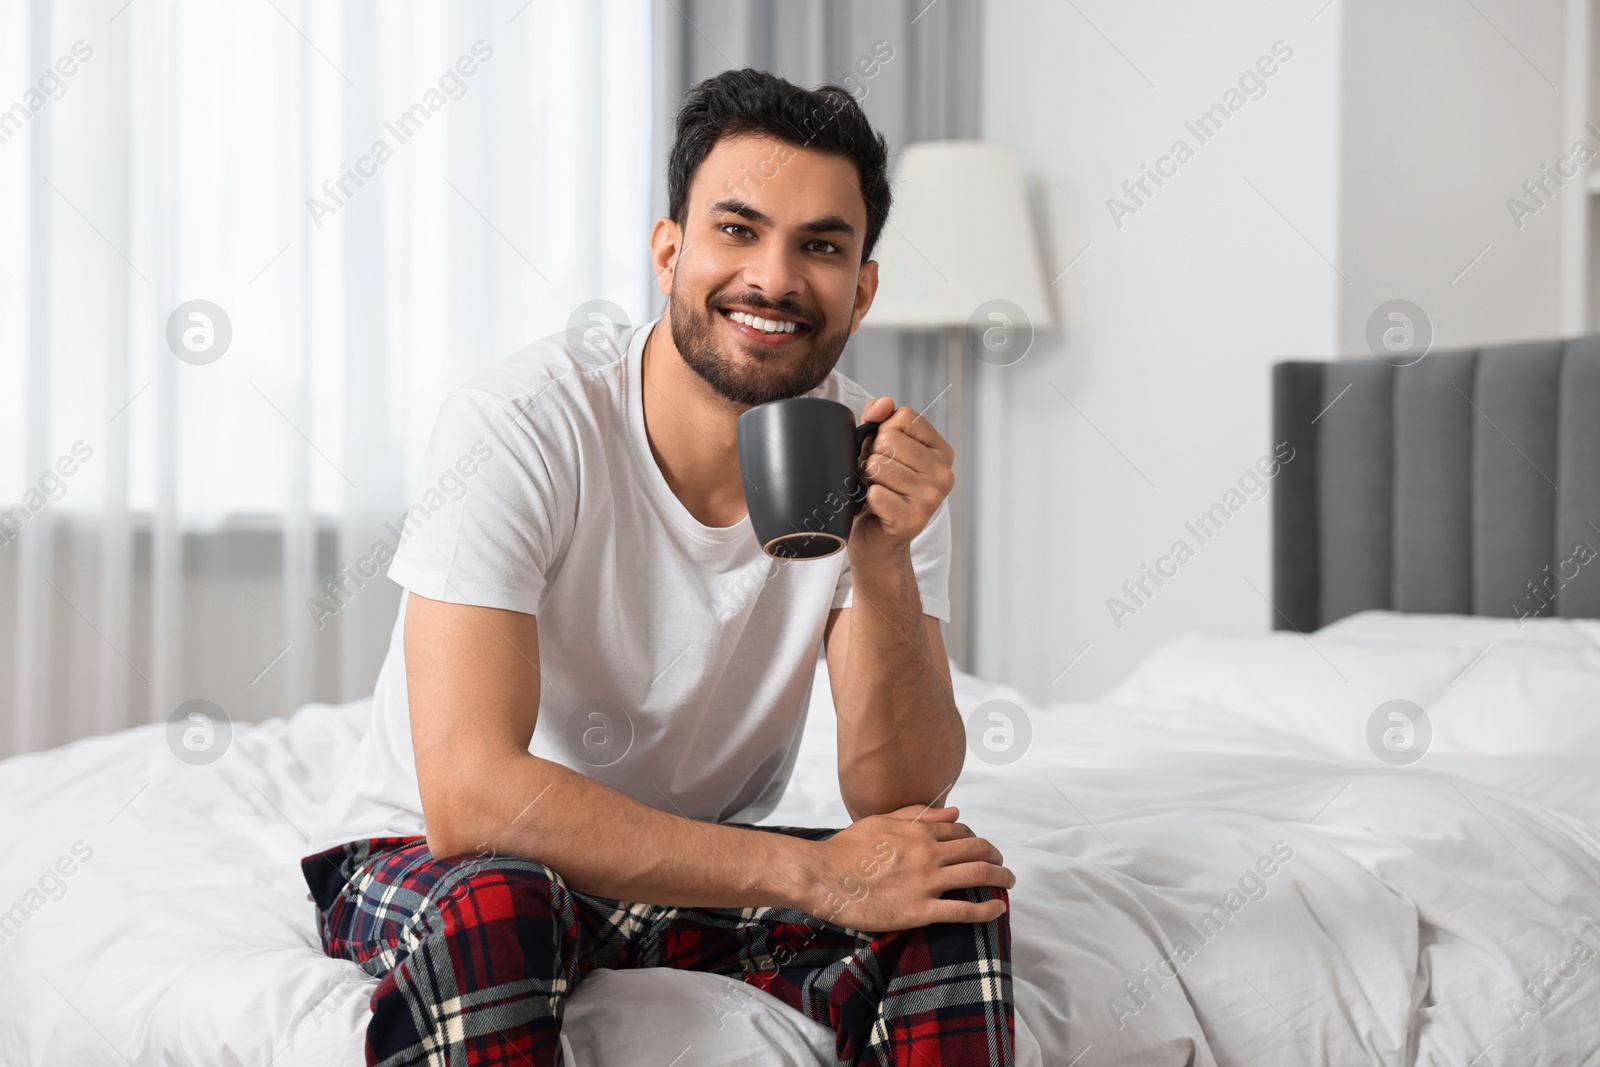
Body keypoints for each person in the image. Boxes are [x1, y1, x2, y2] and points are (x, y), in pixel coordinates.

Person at [301, 66, 1016, 1067]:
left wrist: (883, 559)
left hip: (687, 865)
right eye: (737, 229)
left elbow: (894, 795)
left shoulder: (877, 460)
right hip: (444, 857)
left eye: (820, 245)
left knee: (949, 889)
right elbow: (470, 792)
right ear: (667, 250)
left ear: (862, 288)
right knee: (500, 901)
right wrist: (810, 876)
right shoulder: (521, 425)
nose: (773, 277)